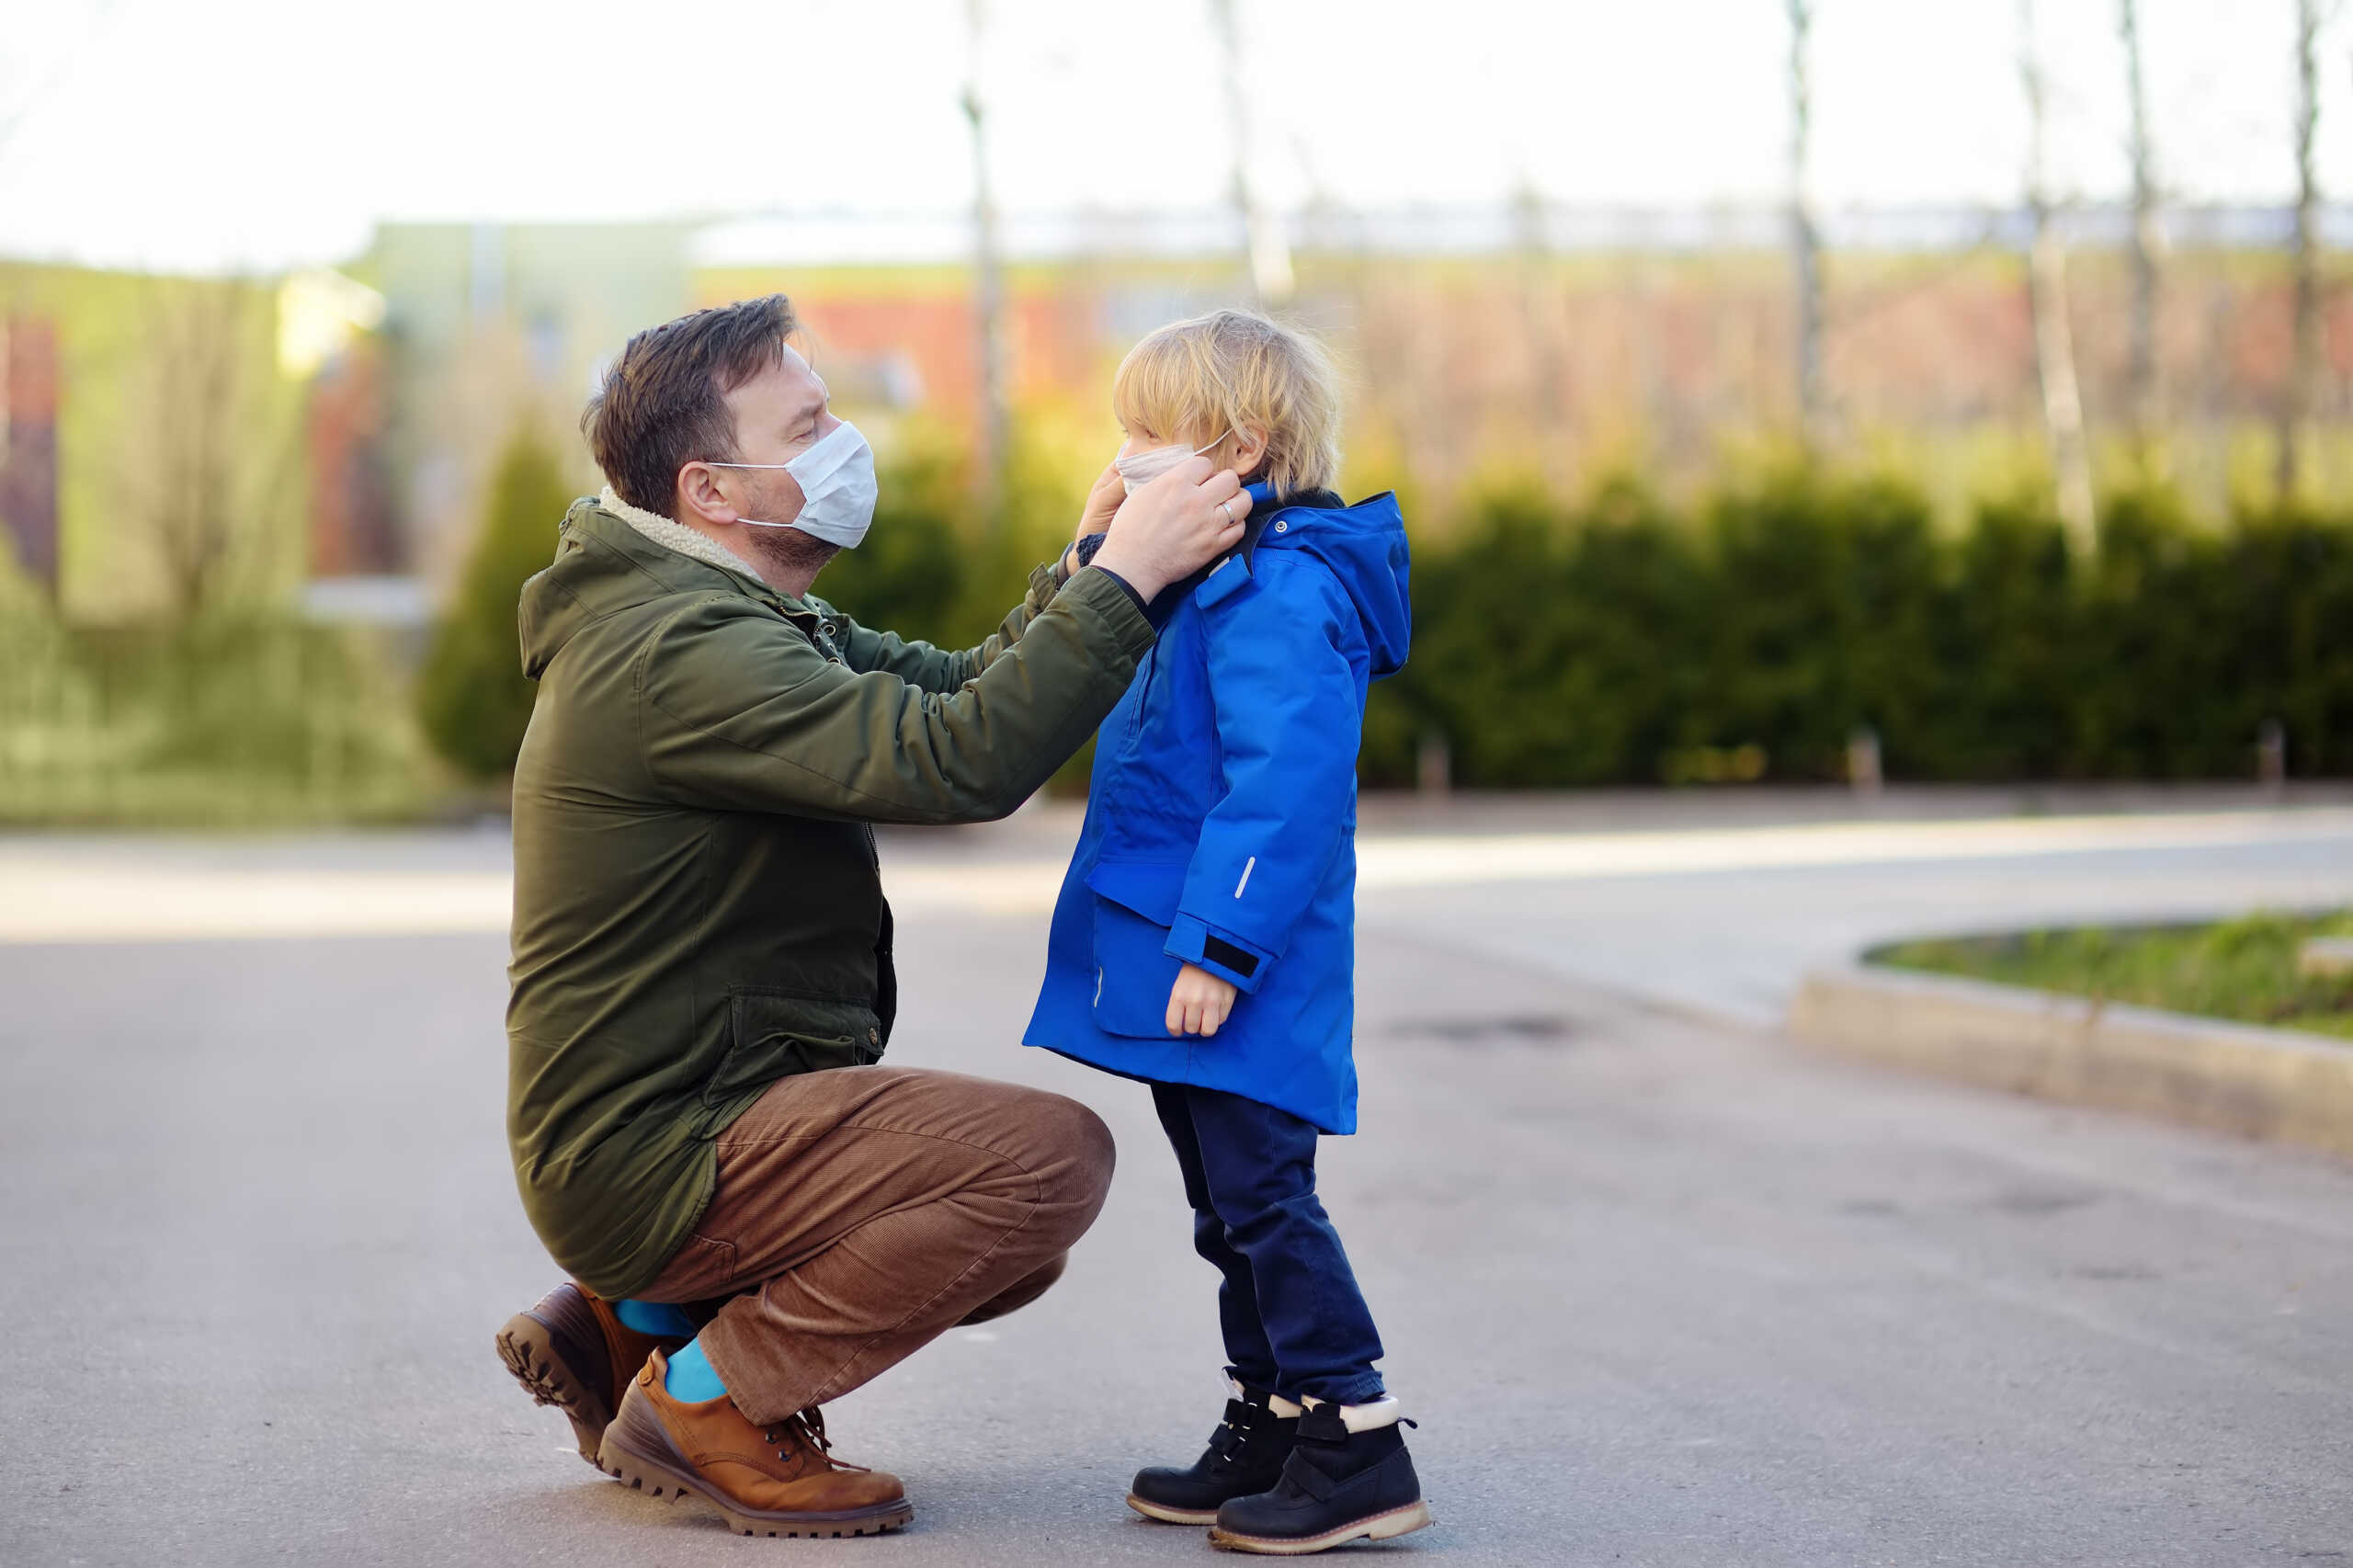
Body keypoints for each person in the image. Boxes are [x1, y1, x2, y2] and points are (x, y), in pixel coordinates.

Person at [493, 293, 1250, 1539]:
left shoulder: (725, 610)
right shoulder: (681, 649)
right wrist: (1129, 580)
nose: (846, 442)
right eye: (809, 425)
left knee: (1007, 1239)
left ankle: (636, 1318)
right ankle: (707, 1397)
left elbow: (952, 688)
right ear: (715, 489)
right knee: (1047, 1165)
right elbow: (958, 761)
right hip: (658, 1148)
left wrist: (1079, 567)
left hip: (672, 1125)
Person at [1021, 310, 1426, 1554]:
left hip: (1240, 967)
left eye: (1149, 433)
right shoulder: (1207, 575)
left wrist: (1220, 945)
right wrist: (1097, 547)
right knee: (1223, 1201)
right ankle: (1270, 1413)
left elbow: (1282, 785)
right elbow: (1081, 661)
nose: (1127, 451)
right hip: (1187, 955)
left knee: (1264, 1196)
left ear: (1239, 447)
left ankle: (1354, 1433)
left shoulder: (1283, 591)